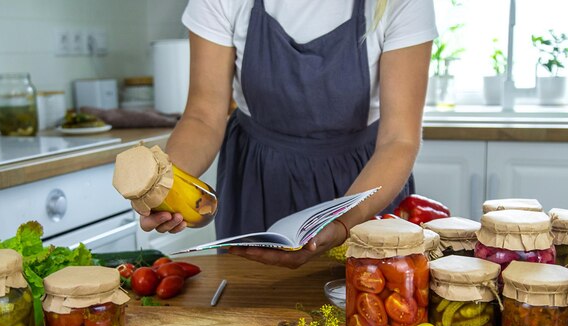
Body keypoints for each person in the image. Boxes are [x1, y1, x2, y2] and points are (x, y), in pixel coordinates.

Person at [140, 0, 438, 268]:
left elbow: (398, 140)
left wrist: (343, 224)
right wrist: (165, 182)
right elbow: (203, 117)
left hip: (365, 187)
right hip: (257, 185)